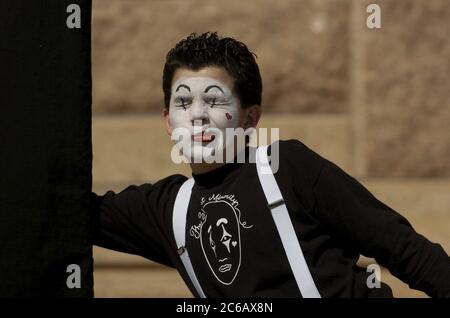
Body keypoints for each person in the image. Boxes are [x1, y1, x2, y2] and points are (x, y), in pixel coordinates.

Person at [91, 32, 450, 297]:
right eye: (184, 103)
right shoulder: (166, 210)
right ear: (168, 121)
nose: (197, 116)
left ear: (250, 119)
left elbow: (405, 250)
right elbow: (66, 210)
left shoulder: (288, 169)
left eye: (214, 101)